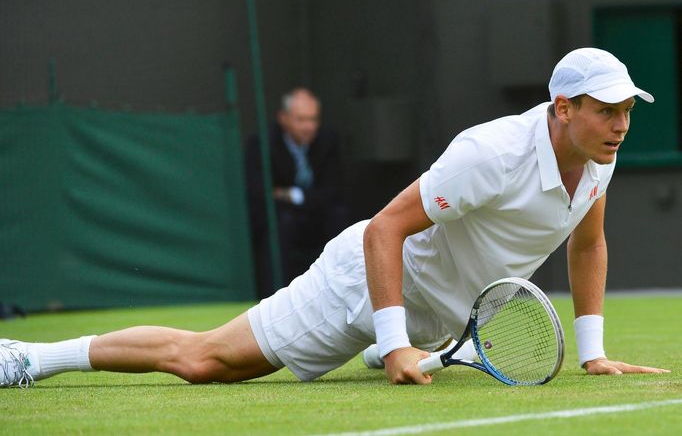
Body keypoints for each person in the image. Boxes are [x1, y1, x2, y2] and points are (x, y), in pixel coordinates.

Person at [1, 48, 670, 389]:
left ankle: (396, 343)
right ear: (562, 108)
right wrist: (397, 336)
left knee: (403, 343)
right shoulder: (490, 153)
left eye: (626, 110)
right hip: (364, 278)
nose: (620, 123)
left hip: (442, 312)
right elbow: (384, 229)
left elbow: (588, 243)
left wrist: (593, 353)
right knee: (205, 360)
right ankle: (34, 357)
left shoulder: (599, 155)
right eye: (605, 109)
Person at [245, 87, 348, 298]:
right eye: (301, 120)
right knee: (281, 222)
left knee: (339, 216)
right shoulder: (262, 143)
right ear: (283, 119)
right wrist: (299, 199)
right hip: (283, 217)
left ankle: (340, 290)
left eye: (313, 119)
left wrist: (293, 196)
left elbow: (334, 189)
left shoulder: (328, 140)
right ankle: (275, 297)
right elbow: (260, 192)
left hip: (317, 214)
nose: (309, 126)